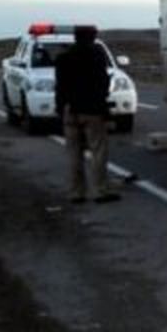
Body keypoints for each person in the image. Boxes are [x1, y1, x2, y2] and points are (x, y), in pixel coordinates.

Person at [55, 26, 119, 203]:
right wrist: (106, 111)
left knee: (74, 153)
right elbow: (102, 84)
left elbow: (59, 87)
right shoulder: (96, 57)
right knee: (98, 151)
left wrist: (60, 109)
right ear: (92, 37)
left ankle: (76, 192)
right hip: (91, 109)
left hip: (70, 109)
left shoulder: (63, 58)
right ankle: (100, 190)